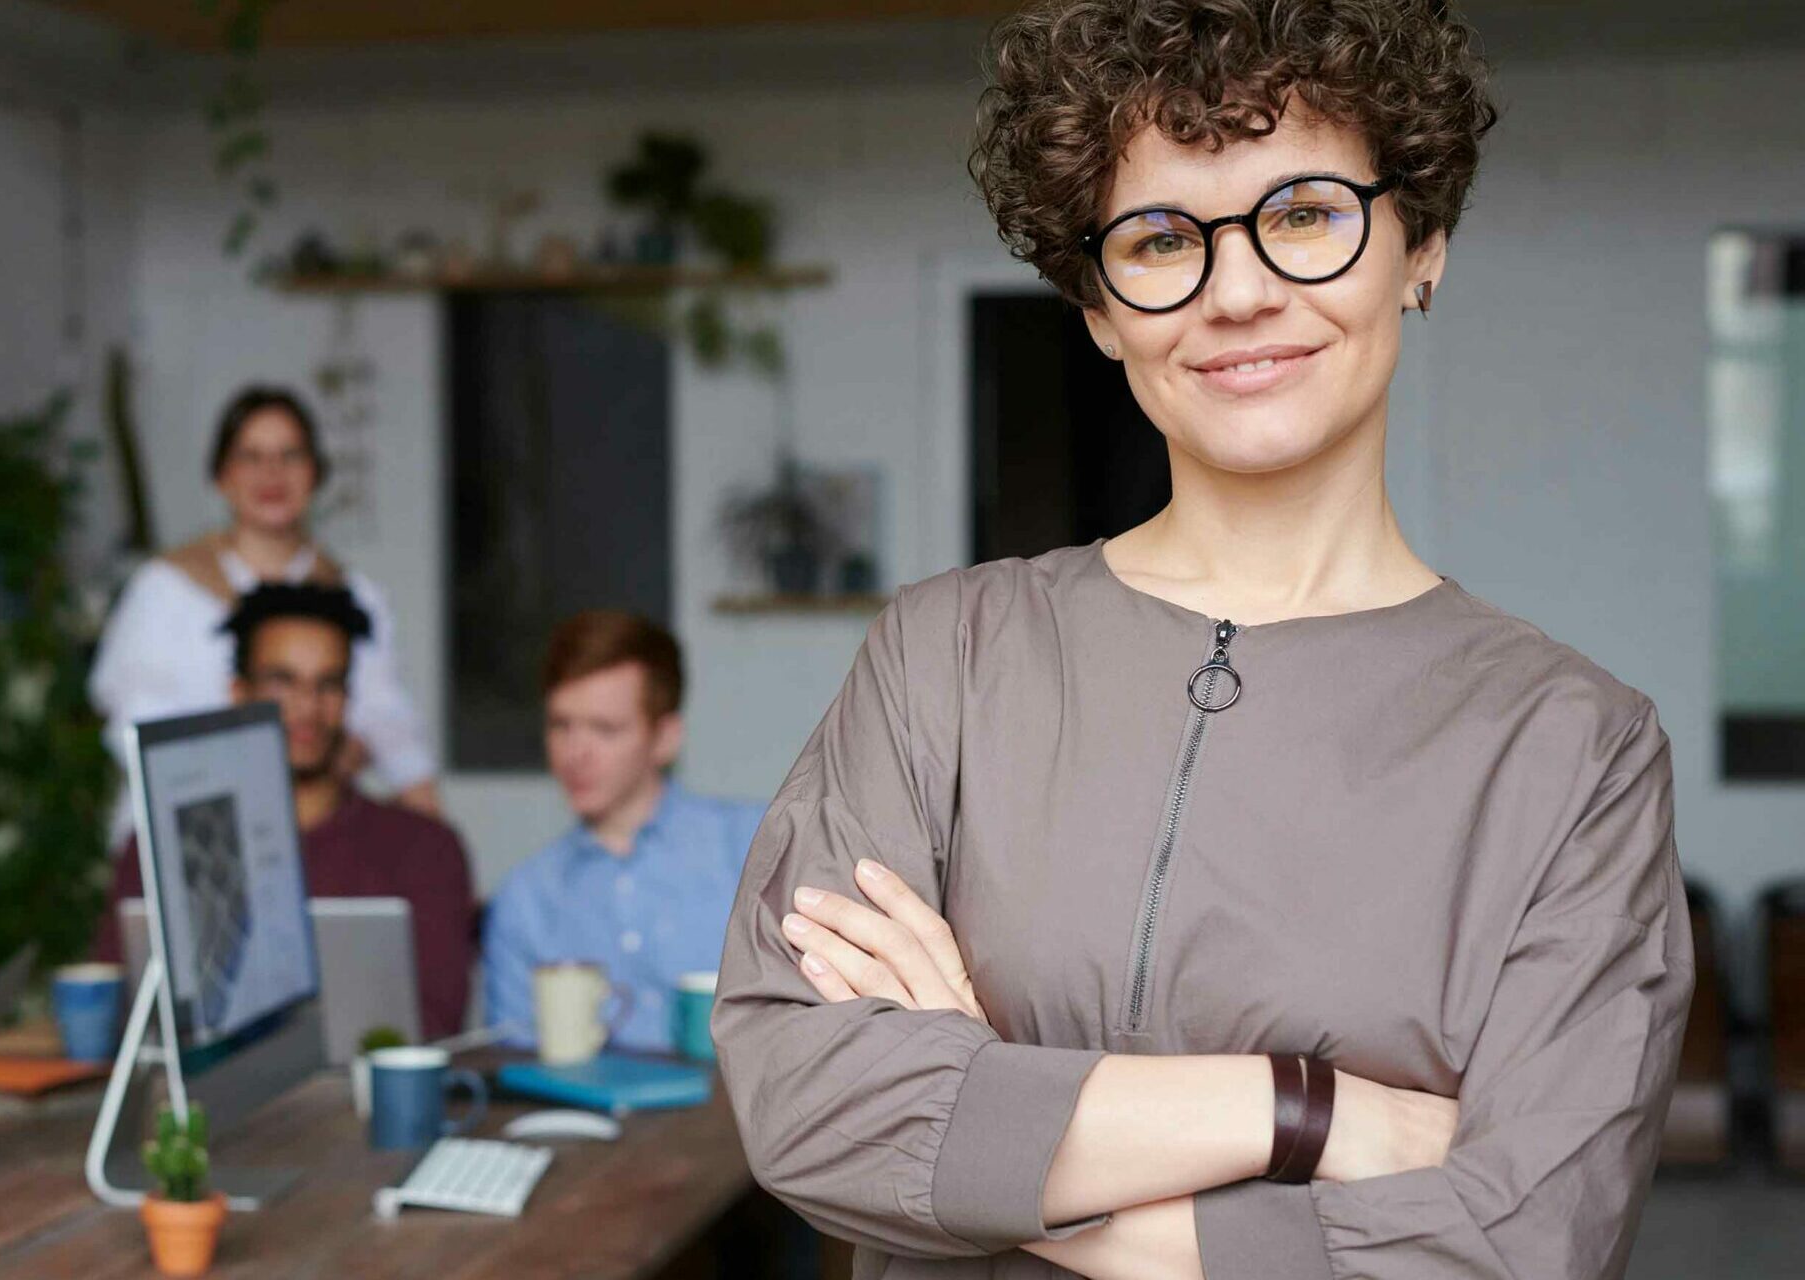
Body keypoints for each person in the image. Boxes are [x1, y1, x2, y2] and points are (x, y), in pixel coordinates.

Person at [713, 4, 1692, 1279]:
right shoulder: (942, 657)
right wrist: (1309, 1111)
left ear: (1422, 244)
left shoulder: (1575, 747)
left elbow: (1517, 1245)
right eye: (1162, 237)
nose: (1236, 291)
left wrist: (993, 1132)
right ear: (1100, 308)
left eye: (1302, 214)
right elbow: (807, 1101)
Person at [99, 584, 476, 1041]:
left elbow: (434, 1026)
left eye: (328, 684)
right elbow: (115, 1021)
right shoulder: (159, 847)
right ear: (239, 693)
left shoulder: (425, 849)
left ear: (347, 699)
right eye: (283, 681)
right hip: (204, 1104)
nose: (307, 707)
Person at [89, 387, 438, 832]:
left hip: (312, 833)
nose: (271, 473)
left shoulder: (353, 596)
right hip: (182, 824)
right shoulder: (165, 588)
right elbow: (134, 724)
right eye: (251, 457)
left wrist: (427, 820)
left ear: (315, 473)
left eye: (290, 455)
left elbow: (387, 724)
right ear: (221, 476)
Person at [484, 611, 764, 1054]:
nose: (575, 752)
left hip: (744, 1119)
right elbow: (514, 1067)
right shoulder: (525, 897)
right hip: (587, 1122)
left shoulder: (755, 845)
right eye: (561, 725)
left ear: (666, 738)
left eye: (605, 728)